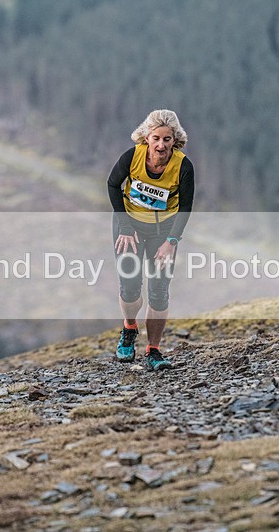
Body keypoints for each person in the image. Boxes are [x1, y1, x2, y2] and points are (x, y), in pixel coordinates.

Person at [107, 109, 195, 370]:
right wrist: (124, 225)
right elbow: (113, 185)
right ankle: (129, 328)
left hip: (163, 232)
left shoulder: (183, 166)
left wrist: (172, 241)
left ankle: (153, 350)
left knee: (158, 292)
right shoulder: (131, 157)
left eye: (167, 139)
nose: (161, 145)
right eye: (156, 138)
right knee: (130, 286)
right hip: (129, 228)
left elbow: (186, 207)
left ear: (174, 140)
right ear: (146, 138)